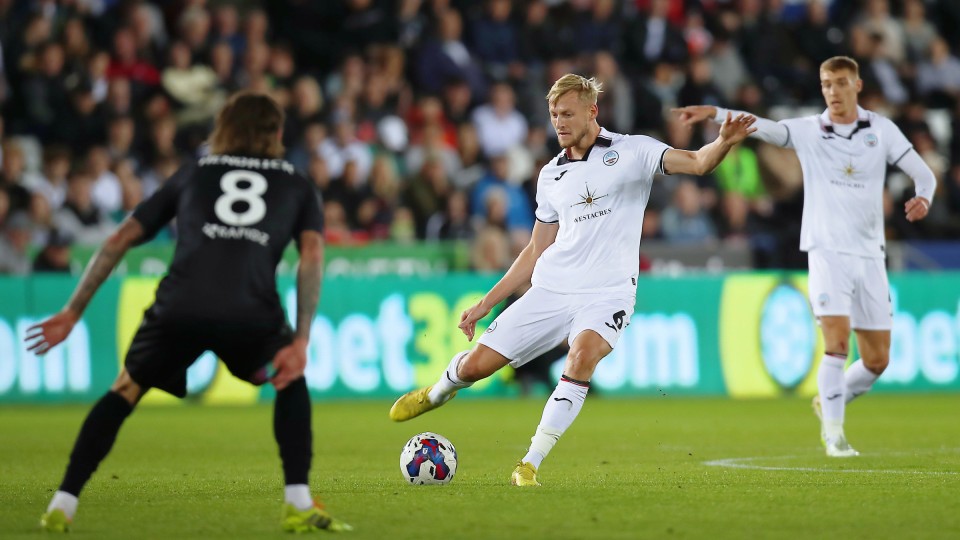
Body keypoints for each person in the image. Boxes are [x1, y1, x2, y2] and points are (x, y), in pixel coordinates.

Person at [388, 73, 756, 486]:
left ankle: (529, 463)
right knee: (475, 368)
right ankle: (437, 393)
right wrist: (487, 302)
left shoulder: (633, 150)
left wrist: (724, 141)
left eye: (567, 113)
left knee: (581, 357)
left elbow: (699, 162)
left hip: (609, 292)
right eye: (552, 114)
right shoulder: (550, 176)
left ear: (592, 111)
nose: (559, 122)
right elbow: (535, 249)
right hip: (552, 288)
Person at [26, 93, 350, 533]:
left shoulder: (196, 172)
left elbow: (121, 238)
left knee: (126, 388)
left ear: (224, 129)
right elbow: (312, 255)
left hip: (180, 305)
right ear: (276, 134)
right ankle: (296, 501)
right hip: (249, 310)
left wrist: (72, 311)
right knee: (287, 375)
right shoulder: (296, 183)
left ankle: (61, 505)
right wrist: (302, 338)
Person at [673, 56, 937, 458]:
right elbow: (762, 126)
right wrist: (715, 112)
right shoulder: (810, 131)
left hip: (869, 254)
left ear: (858, 85)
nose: (833, 91)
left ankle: (829, 401)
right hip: (827, 251)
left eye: (840, 83)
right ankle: (835, 435)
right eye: (826, 84)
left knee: (878, 360)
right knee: (835, 344)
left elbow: (924, 173)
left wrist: (924, 197)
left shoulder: (881, 131)